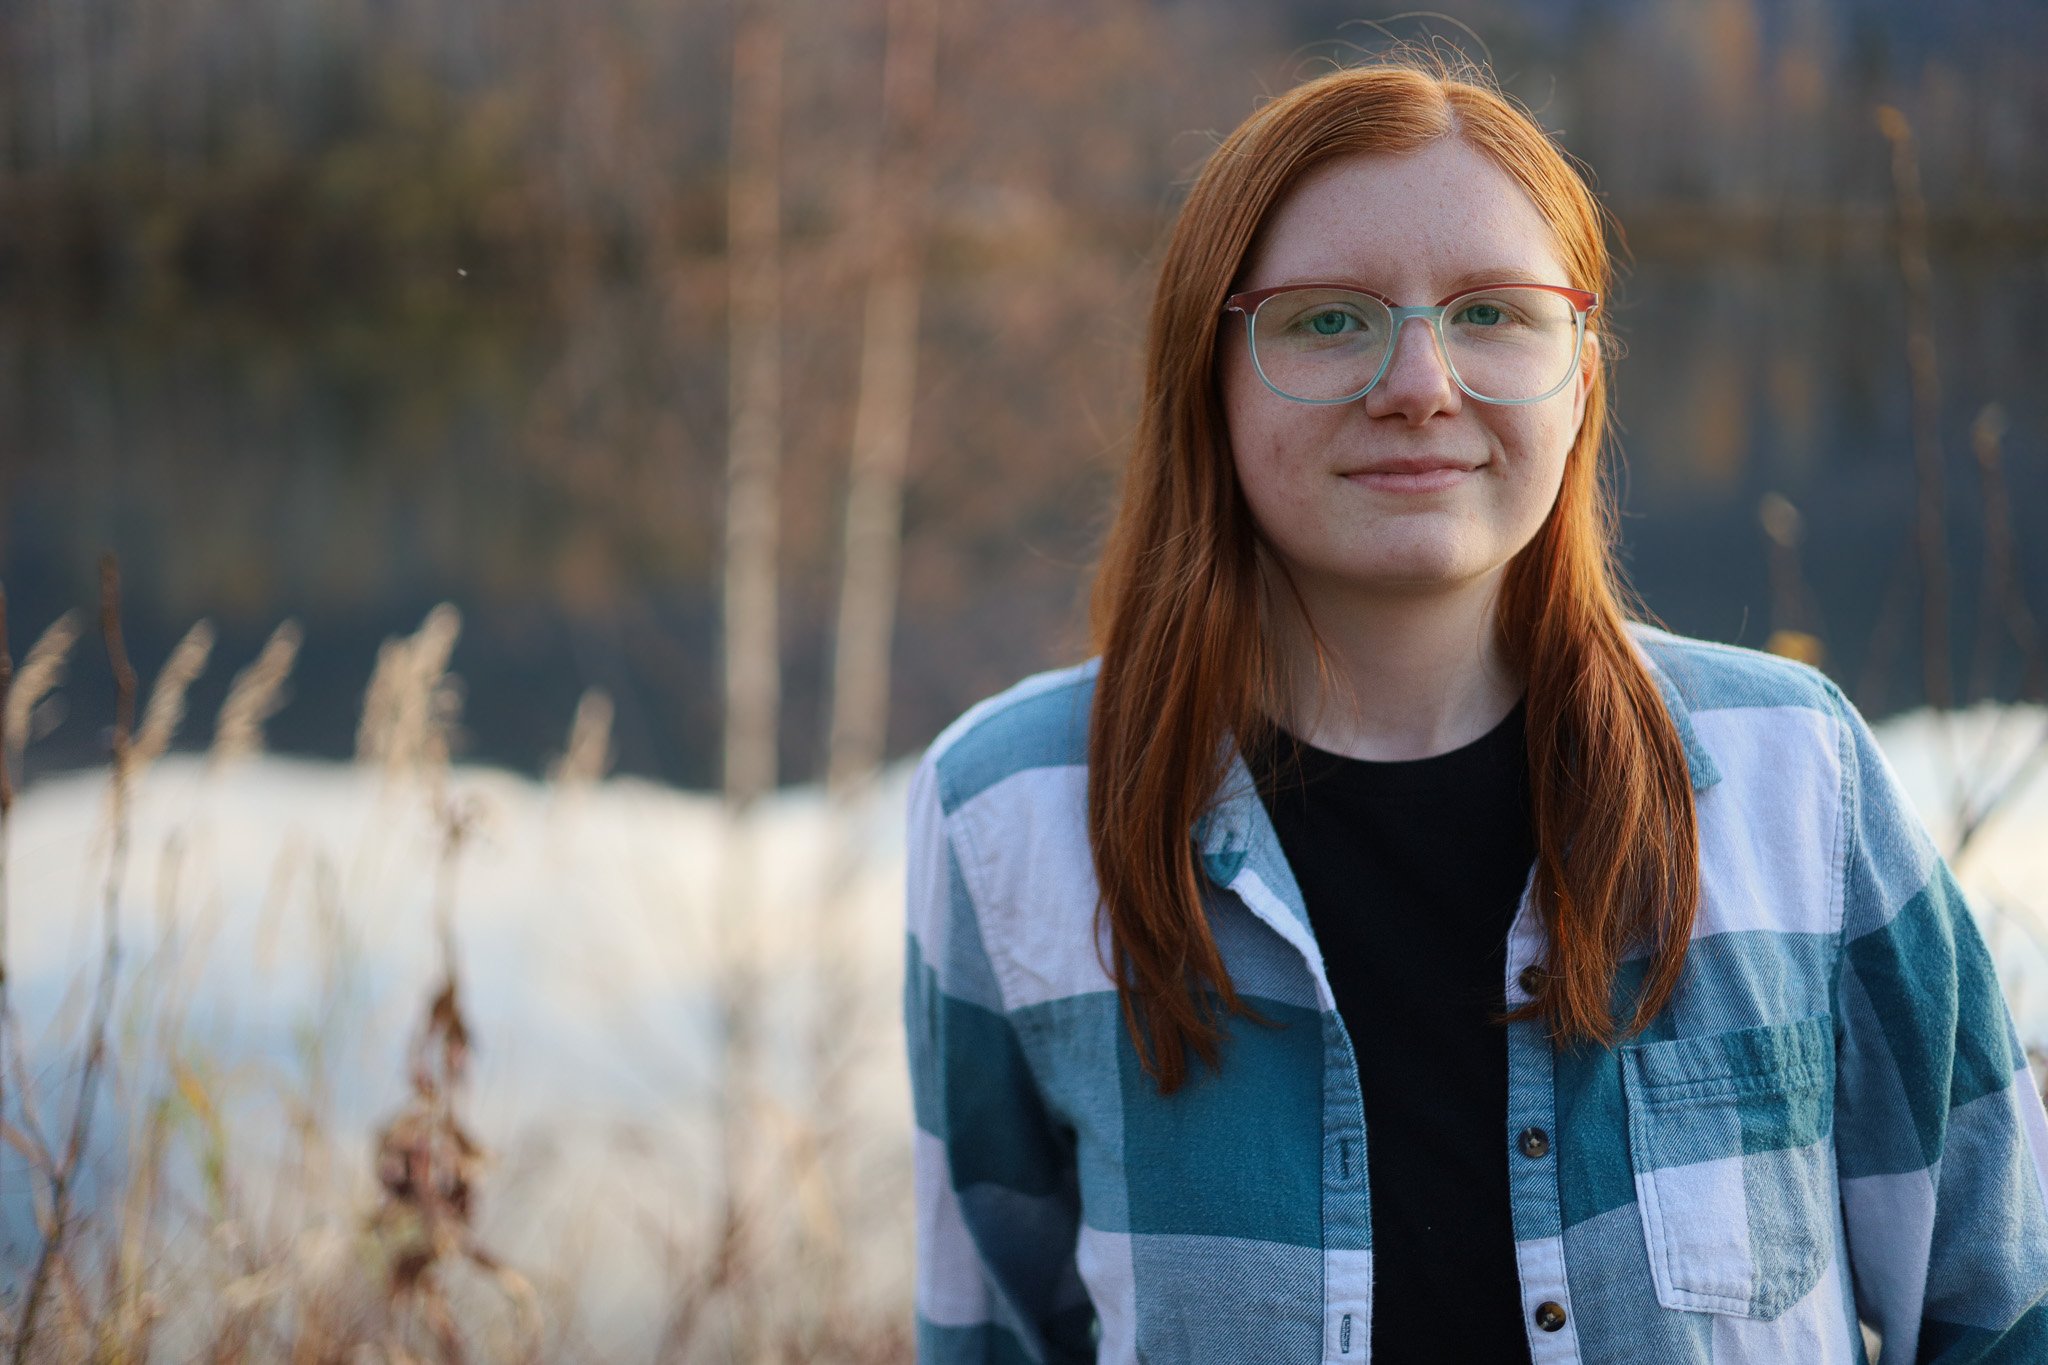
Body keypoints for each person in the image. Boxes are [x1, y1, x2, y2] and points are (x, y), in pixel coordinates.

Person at [902, 55, 2048, 1365]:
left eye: (1493, 312)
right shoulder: (1013, 814)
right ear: (1207, 375)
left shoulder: (1799, 779)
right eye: (1327, 319)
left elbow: (2006, 1306)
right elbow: (989, 1332)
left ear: (1583, 371)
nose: (1419, 384)